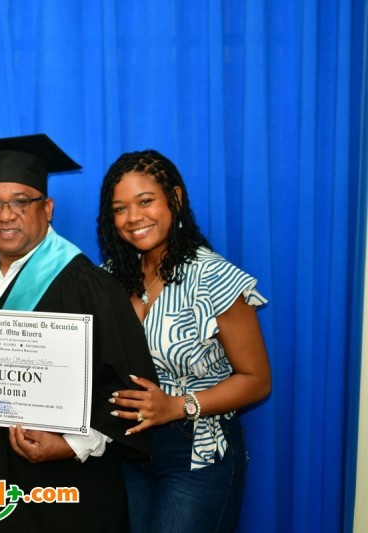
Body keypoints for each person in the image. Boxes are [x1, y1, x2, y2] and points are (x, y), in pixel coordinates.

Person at [0, 134, 158, 532]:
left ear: (47, 209)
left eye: (20, 202)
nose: (5, 215)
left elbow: (132, 391)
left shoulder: (88, 286)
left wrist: (71, 444)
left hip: (66, 493)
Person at [96, 149, 272, 532]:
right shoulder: (108, 278)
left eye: (145, 201)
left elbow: (256, 380)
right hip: (126, 452)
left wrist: (177, 406)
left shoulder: (213, 277)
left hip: (196, 454)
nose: (133, 217)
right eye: (120, 208)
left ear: (175, 198)